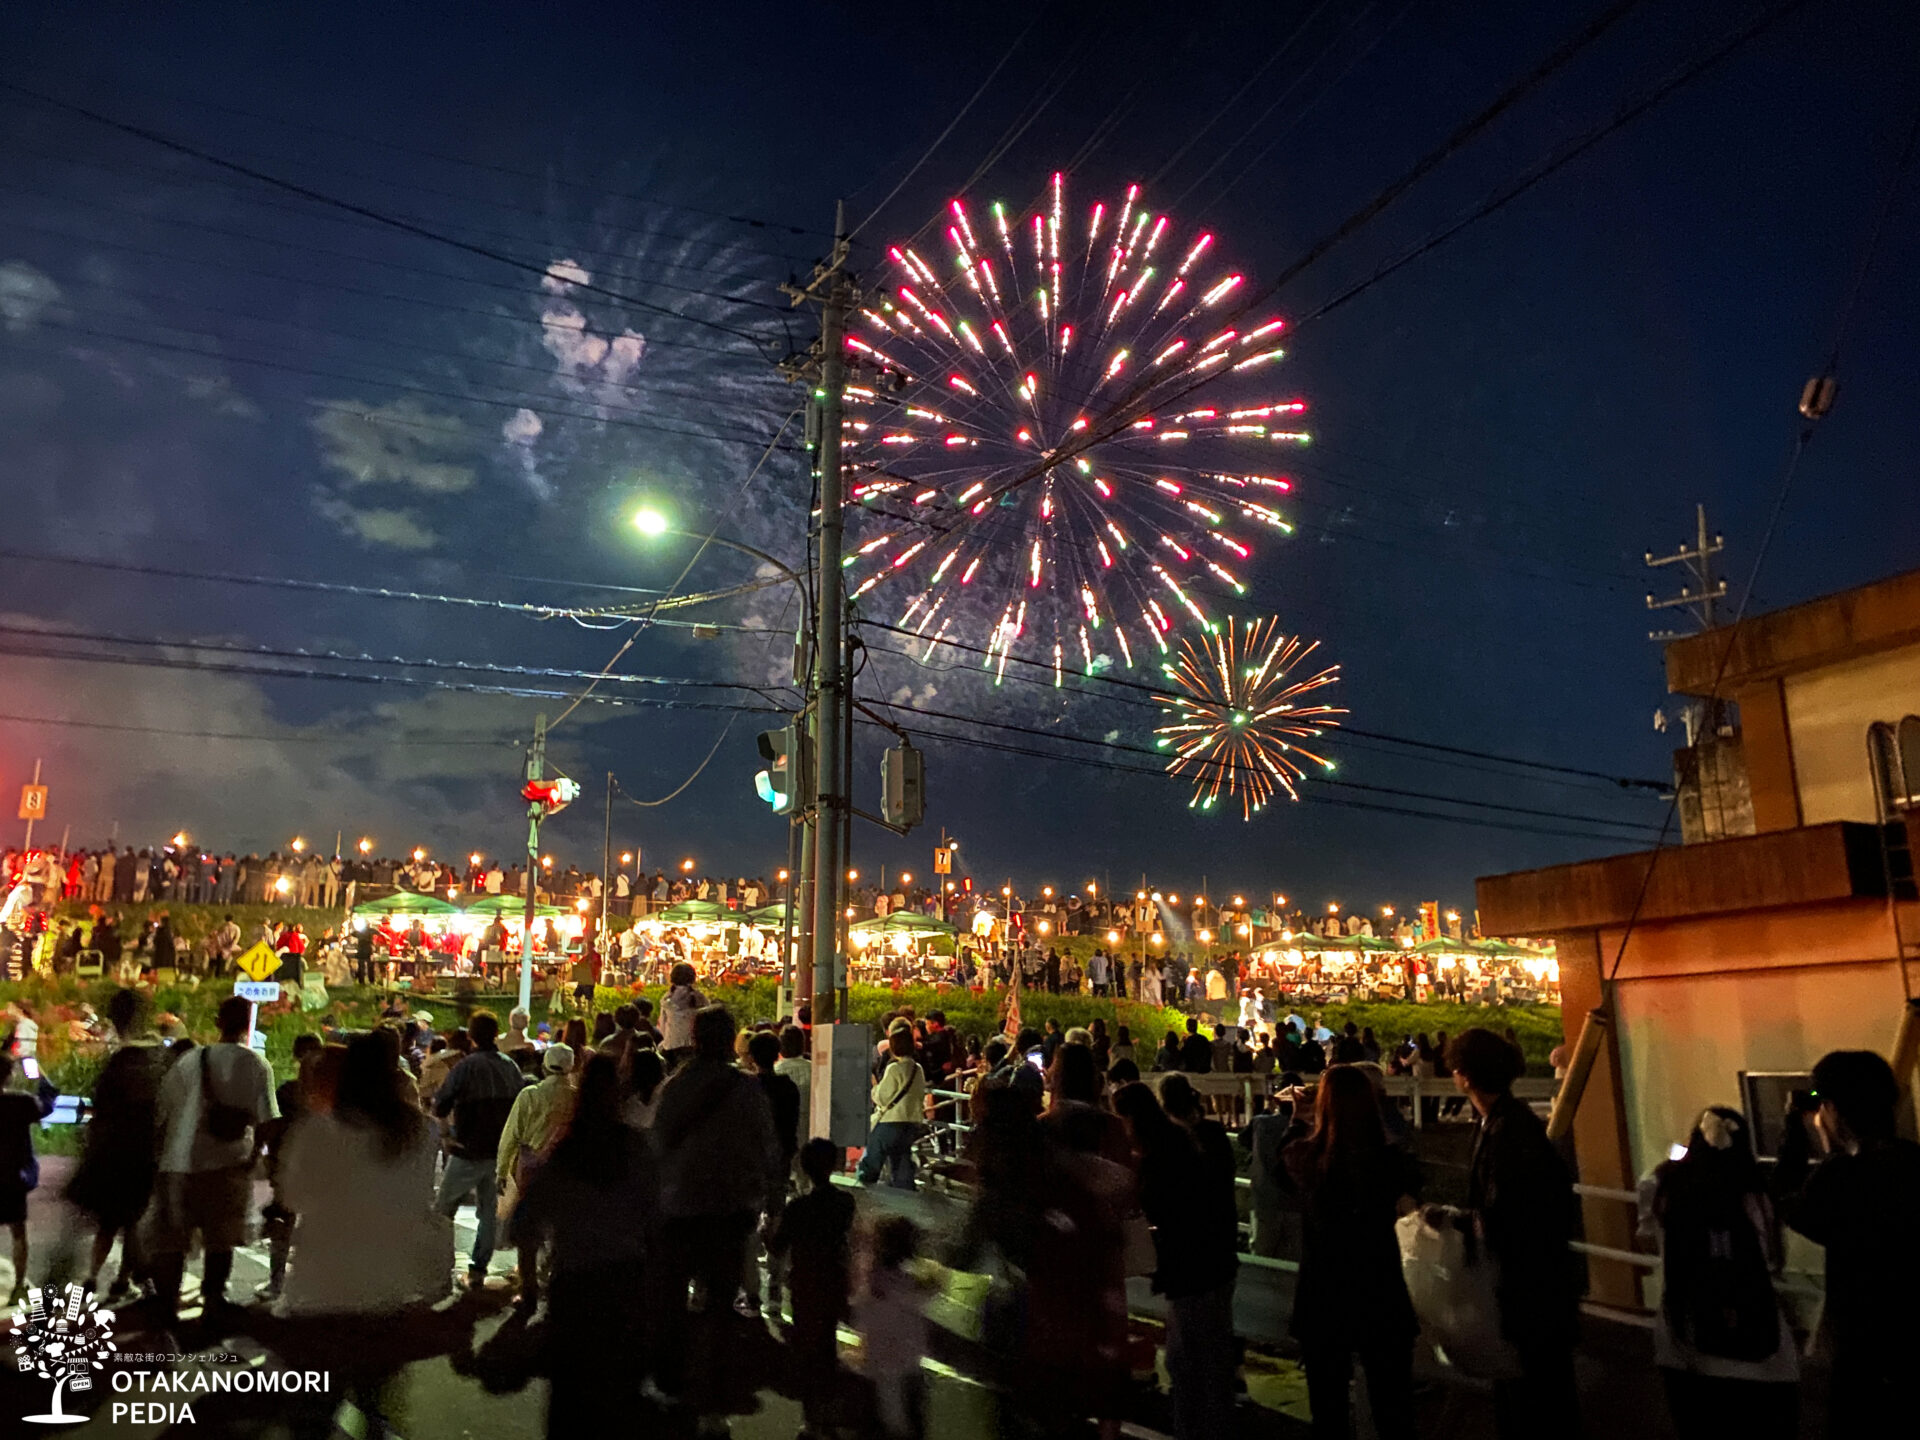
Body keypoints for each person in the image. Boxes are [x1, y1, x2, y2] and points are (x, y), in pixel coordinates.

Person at [278, 1031, 444, 1440]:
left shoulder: (319, 1132)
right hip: (389, 1290)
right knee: (376, 1404)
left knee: (312, 1413)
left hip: (323, 1290)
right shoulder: (423, 1133)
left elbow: (292, 1196)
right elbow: (422, 1199)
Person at [1772, 1048, 1920, 1436]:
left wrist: (1795, 1134)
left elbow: (1787, 1202)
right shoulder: (1912, 1162)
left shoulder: (1842, 1177)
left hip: (1865, 1354)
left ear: (1834, 1109)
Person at [511, 1053, 656, 1435]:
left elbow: (525, 1226)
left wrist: (529, 1288)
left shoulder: (564, 1153)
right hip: (626, 1280)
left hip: (574, 1283)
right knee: (620, 1394)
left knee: (570, 1399)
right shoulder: (636, 1150)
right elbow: (656, 1217)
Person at [651, 1004, 778, 1432]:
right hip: (730, 1212)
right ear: (729, 1042)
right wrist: (773, 1204)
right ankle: (712, 1400)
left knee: (670, 1300)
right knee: (720, 1309)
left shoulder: (674, 1087)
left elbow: (657, 1147)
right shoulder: (746, 1090)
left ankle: (673, 1387)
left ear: (694, 1037)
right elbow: (767, 1149)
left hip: (678, 1210)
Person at [1451, 1027, 1579, 1439]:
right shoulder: (1509, 1123)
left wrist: (1460, 1225)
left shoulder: (1507, 1132)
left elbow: (1505, 1212)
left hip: (1527, 1291)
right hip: (1535, 1287)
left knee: (1532, 1401)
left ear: (1465, 1076)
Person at [1280, 1066, 1421, 1440]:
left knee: (1328, 1411)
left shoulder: (1308, 1160)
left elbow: (1282, 1168)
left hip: (1325, 1296)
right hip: (1381, 1292)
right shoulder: (1391, 1161)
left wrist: (1298, 1120)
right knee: (1394, 1410)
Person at [1640, 1106, 1798, 1439]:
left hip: (1683, 1338)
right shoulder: (1758, 1190)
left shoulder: (1662, 1185)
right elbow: (1773, 1259)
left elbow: (1645, 1243)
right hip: (1763, 1344)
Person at [1114, 1078, 1239, 1440]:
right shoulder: (1183, 1142)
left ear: (1133, 1119)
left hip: (1190, 1269)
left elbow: (1160, 1212)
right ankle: (1217, 1427)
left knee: (1186, 1362)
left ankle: (1194, 1430)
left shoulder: (1158, 1159)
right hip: (1216, 1260)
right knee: (1213, 1357)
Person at [149, 994, 277, 1323]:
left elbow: (163, 1111)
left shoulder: (189, 1061)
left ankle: (166, 1304)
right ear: (249, 1023)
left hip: (178, 1162)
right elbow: (267, 1121)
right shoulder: (256, 1064)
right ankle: (213, 1299)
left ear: (218, 1022)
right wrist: (252, 1159)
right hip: (227, 1164)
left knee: (172, 1239)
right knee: (221, 1238)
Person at [66, 988, 166, 1304]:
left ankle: (93, 1277)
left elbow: (101, 1108)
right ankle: (125, 1279)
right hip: (142, 1153)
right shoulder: (155, 1060)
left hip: (111, 1155)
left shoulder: (117, 1063)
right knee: (134, 1220)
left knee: (109, 1223)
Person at [431, 1009, 525, 1292]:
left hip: (468, 1150)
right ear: (496, 1034)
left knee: (442, 1209)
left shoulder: (466, 1067)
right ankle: (478, 1272)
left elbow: (442, 1104)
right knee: (488, 1212)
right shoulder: (511, 1067)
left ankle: (436, 1266)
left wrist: (447, 1135)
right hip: (500, 1152)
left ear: (471, 1037)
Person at [770, 1137, 856, 1437]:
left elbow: (779, 1246)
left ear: (803, 1169)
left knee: (807, 1346)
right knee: (828, 1343)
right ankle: (829, 1412)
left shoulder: (798, 1208)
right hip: (833, 1280)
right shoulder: (845, 1203)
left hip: (805, 1283)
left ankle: (811, 1417)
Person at [497, 1042, 578, 1311]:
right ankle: (555, 1285)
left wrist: (502, 1170)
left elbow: (511, 1136)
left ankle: (529, 1290)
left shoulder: (529, 1095)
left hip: (531, 1172)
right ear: (571, 1067)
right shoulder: (577, 1098)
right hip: (567, 1172)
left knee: (528, 1234)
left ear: (544, 1066)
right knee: (561, 1233)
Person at [856, 1215, 933, 1439]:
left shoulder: (874, 1283)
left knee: (893, 1425)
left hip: (883, 1371)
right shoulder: (913, 1284)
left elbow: (865, 1321)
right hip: (908, 1367)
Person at [744, 1030, 800, 1315]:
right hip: (780, 1160)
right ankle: (776, 1281)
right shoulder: (788, 1087)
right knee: (776, 1216)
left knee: (749, 1221)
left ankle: (751, 1289)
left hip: (752, 1162)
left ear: (751, 1057)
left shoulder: (748, 1088)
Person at [0, 1051, 57, 1303]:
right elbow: (47, 1104)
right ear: (9, 1076)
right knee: (18, 1232)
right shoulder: (20, 1102)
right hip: (13, 1177)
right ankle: (18, 1287)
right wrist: (39, 1073)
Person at [859, 1027, 927, 1189]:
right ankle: (904, 1192)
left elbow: (882, 1097)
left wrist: (874, 1087)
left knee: (874, 1153)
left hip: (891, 1121)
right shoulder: (918, 1069)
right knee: (902, 1158)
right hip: (911, 1122)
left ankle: (864, 1186)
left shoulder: (894, 1069)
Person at [660, 962, 705, 1063]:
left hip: (671, 1045)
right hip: (693, 1045)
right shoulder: (699, 997)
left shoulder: (667, 999)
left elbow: (663, 1025)